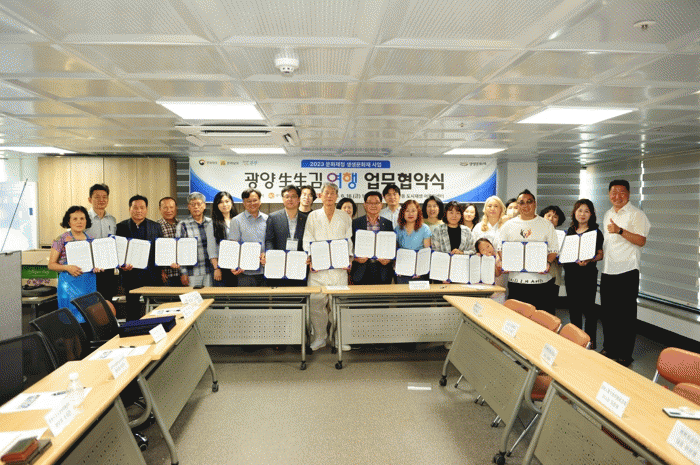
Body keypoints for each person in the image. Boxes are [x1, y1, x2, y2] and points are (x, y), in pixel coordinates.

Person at [600, 180, 650, 367]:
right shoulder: (608, 214)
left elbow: (641, 240)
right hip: (608, 270)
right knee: (608, 313)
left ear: (628, 194)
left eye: (621, 192)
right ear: (609, 194)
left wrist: (620, 230)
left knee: (626, 316)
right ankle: (609, 348)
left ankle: (625, 354)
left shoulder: (637, 214)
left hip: (627, 270)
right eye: (613, 192)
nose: (617, 196)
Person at [303, 182, 352, 351]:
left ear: (337, 196)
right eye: (326, 193)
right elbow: (307, 238)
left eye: (333, 193)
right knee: (316, 304)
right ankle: (320, 338)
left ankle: (338, 338)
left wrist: (349, 258)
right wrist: (310, 258)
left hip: (339, 269)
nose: (329, 196)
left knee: (339, 305)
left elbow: (348, 240)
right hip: (318, 269)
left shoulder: (344, 216)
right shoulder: (313, 216)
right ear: (320, 196)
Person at [496, 189, 559, 313]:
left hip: (541, 283)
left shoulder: (546, 225)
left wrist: (548, 263)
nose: (525, 205)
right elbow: (500, 248)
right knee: (517, 318)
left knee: (540, 319)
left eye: (529, 202)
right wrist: (505, 262)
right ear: (518, 205)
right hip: (516, 282)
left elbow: (553, 249)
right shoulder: (508, 225)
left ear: (535, 204)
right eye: (522, 202)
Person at [48, 206, 101, 323]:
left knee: (90, 320)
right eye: (75, 219)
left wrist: (97, 268)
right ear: (69, 222)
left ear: (86, 221)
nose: (79, 222)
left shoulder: (92, 240)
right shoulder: (60, 239)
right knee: (70, 322)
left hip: (88, 286)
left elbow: (95, 263)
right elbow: (51, 265)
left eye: (82, 218)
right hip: (69, 287)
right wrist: (67, 267)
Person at [563, 199, 604, 349]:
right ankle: (576, 340)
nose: (582, 214)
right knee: (574, 309)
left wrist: (589, 260)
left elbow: (600, 254)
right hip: (571, 275)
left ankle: (589, 342)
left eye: (586, 211)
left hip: (588, 275)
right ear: (574, 213)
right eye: (580, 210)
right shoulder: (569, 231)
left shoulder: (596, 232)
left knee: (589, 309)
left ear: (591, 214)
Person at [116, 195, 163, 320]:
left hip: (152, 275)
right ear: (130, 209)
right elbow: (117, 252)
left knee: (155, 308)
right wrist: (122, 266)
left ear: (146, 209)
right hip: (130, 275)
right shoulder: (120, 227)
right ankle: (133, 330)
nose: (139, 210)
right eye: (135, 207)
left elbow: (160, 251)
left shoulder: (156, 226)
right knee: (132, 309)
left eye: (142, 207)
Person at [265, 185, 307, 287]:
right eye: (287, 196)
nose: (290, 199)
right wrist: (271, 257)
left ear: (298, 199)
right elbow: (269, 240)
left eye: (293, 196)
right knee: (279, 294)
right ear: (283, 199)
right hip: (278, 265)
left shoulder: (306, 219)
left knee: (298, 294)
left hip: (298, 265)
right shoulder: (273, 217)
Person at [350, 191, 394, 285]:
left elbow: (392, 246)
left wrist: (389, 259)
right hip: (361, 269)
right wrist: (355, 258)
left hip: (382, 270)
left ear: (381, 205)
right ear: (364, 205)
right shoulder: (355, 223)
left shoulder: (388, 224)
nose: (373, 205)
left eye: (377, 203)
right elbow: (349, 245)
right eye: (370, 203)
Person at [229, 188, 268, 287]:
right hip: (245, 272)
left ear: (260, 201)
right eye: (248, 201)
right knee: (245, 297)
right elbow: (233, 246)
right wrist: (234, 265)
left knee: (265, 297)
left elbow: (271, 242)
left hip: (266, 270)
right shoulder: (236, 221)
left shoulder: (268, 219)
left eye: (255, 200)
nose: (252, 203)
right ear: (243, 203)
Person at [84, 184, 117, 303]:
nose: (101, 200)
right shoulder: (83, 219)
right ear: (90, 199)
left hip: (108, 268)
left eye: (104, 197)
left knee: (107, 300)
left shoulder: (112, 220)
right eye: (97, 197)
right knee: (91, 303)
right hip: (90, 269)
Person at [177, 192, 216, 288]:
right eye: (192, 204)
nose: (196, 207)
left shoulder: (211, 223)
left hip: (210, 271)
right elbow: (179, 251)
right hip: (192, 272)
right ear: (188, 207)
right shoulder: (182, 225)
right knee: (193, 297)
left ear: (204, 205)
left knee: (210, 296)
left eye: (199, 204)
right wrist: (183, 272)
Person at [395, 199, 431, 284]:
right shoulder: (398, 228)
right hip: (403, 269)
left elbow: (427, 252)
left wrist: (420, 270)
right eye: (407, 211)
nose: (410, 214)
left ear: (418, 213)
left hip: (420, 269)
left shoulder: (425, 228)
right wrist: (396, 265)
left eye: (413, 211)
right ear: (403, 213)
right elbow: (395, 250)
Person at [540, 205, 566, 313]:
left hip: (554, 274)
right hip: (537, 275)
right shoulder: (535, 233)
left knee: (550, 308)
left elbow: (566, 257)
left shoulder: (563, 236)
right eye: (548, 215)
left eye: (555, 217)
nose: (551, 219)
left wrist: (559, 257)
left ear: (558, 220)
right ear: (543, 216)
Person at [211, 191, 238, 287]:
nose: (225, 205)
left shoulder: (238, 220)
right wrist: (216, 268)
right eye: (221, 202)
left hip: (237, 266)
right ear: (216, 205)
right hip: (221, 267)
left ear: (231, 203)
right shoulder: (212, 224)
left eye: (227, 201)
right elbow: (211, 249)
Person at [157, 196, 181, 287]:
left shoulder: (182, 224)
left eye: (171, 207)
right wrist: (161, 270)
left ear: (176, 208)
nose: (169, 210)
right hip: (166, 274)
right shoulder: (156, 226)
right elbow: (155, 251)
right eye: (165, 208)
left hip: (182, 273)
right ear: (160, 209)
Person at [475, 238, 506, 304]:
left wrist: (491, 260)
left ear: (492, 245)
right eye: (483, 250)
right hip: (485, 292)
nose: (487, 250)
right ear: (479, 252)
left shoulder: (499, 257)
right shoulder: (481, 259)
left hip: (498, 293)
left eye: (488, 246)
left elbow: (497, 274)